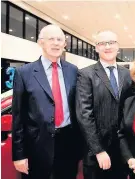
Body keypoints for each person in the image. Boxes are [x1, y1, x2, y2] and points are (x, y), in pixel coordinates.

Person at [12, 24, 81, 179]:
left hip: (68, 144)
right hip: (37, 146)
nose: (56, 43)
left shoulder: (73, 70)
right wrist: (19, 154)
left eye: (59, 39)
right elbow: (18, 117)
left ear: (64, 44)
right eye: (51, 39)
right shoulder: (24, 73)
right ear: (40, 42)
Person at [76, 30, 135, 179]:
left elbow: (133, 109)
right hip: (97, 152)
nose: (107, 46)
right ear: (96, 48)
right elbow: (84, 114)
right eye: (102, 43)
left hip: (123, 151)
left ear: (118, 46)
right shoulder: (85, 74)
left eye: (111, 42)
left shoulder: (128, 75)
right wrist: (98, 150)